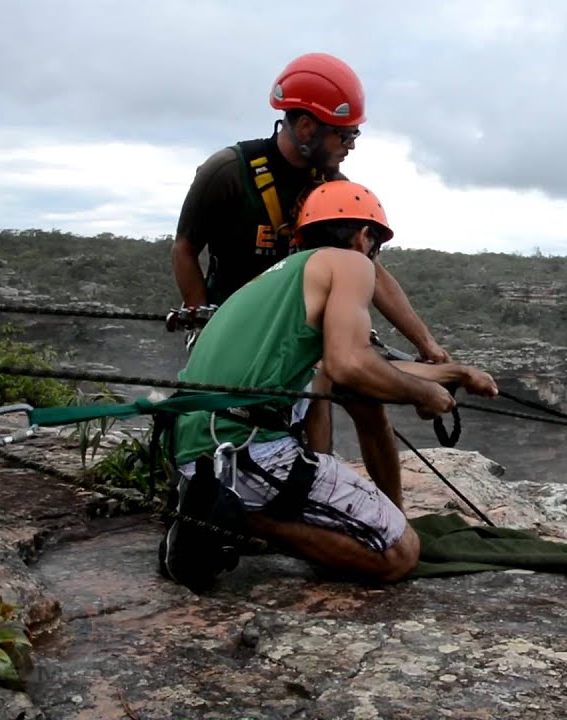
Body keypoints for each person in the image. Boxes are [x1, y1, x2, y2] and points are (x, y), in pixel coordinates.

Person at [159, 180, 498, 592]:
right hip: (246, 452)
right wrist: (425, 394)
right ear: (363, 236)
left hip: (199, 452)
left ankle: (229, 505)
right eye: (376, 247)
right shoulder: (351, 263)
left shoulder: (280, 280)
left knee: (363, 411)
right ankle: (236, 516)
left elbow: (355, 368)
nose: (373, 258)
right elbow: (352, 363)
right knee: (400, 554)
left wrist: (458, 375)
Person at [170, 52, 449, 452]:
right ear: (305, 126)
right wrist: (202, 323)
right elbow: (184, 249)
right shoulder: (229, 172)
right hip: (243, 329)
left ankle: (382, 507)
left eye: (355, 135)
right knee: (315, 398)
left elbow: (371, 270)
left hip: (304, 327)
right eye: (345, 135)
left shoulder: (334, 188)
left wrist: (426, 345)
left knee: (368, 405)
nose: (351, 146)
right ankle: (312, 480)